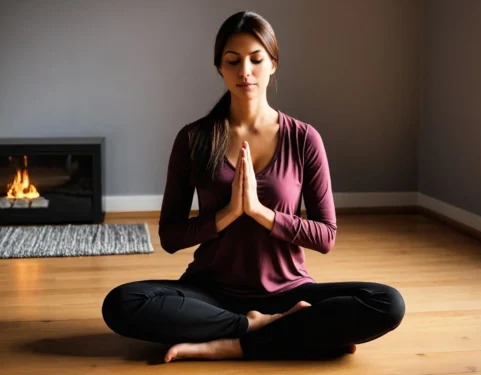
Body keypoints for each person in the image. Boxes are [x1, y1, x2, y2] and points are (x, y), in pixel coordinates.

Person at [101, 10, 405, 363]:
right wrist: (228, 214)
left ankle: (233, 343)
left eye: (256, 59)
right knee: (122, 303)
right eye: (233, 61)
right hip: (209, 292)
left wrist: (261, 213)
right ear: (220, 68)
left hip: (289, 291)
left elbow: (326, 236)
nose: (245, 71)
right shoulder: (194, 139)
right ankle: (270, 330)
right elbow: (170, 237)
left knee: (387, 303)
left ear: (273, 64)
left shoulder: (304, 139)